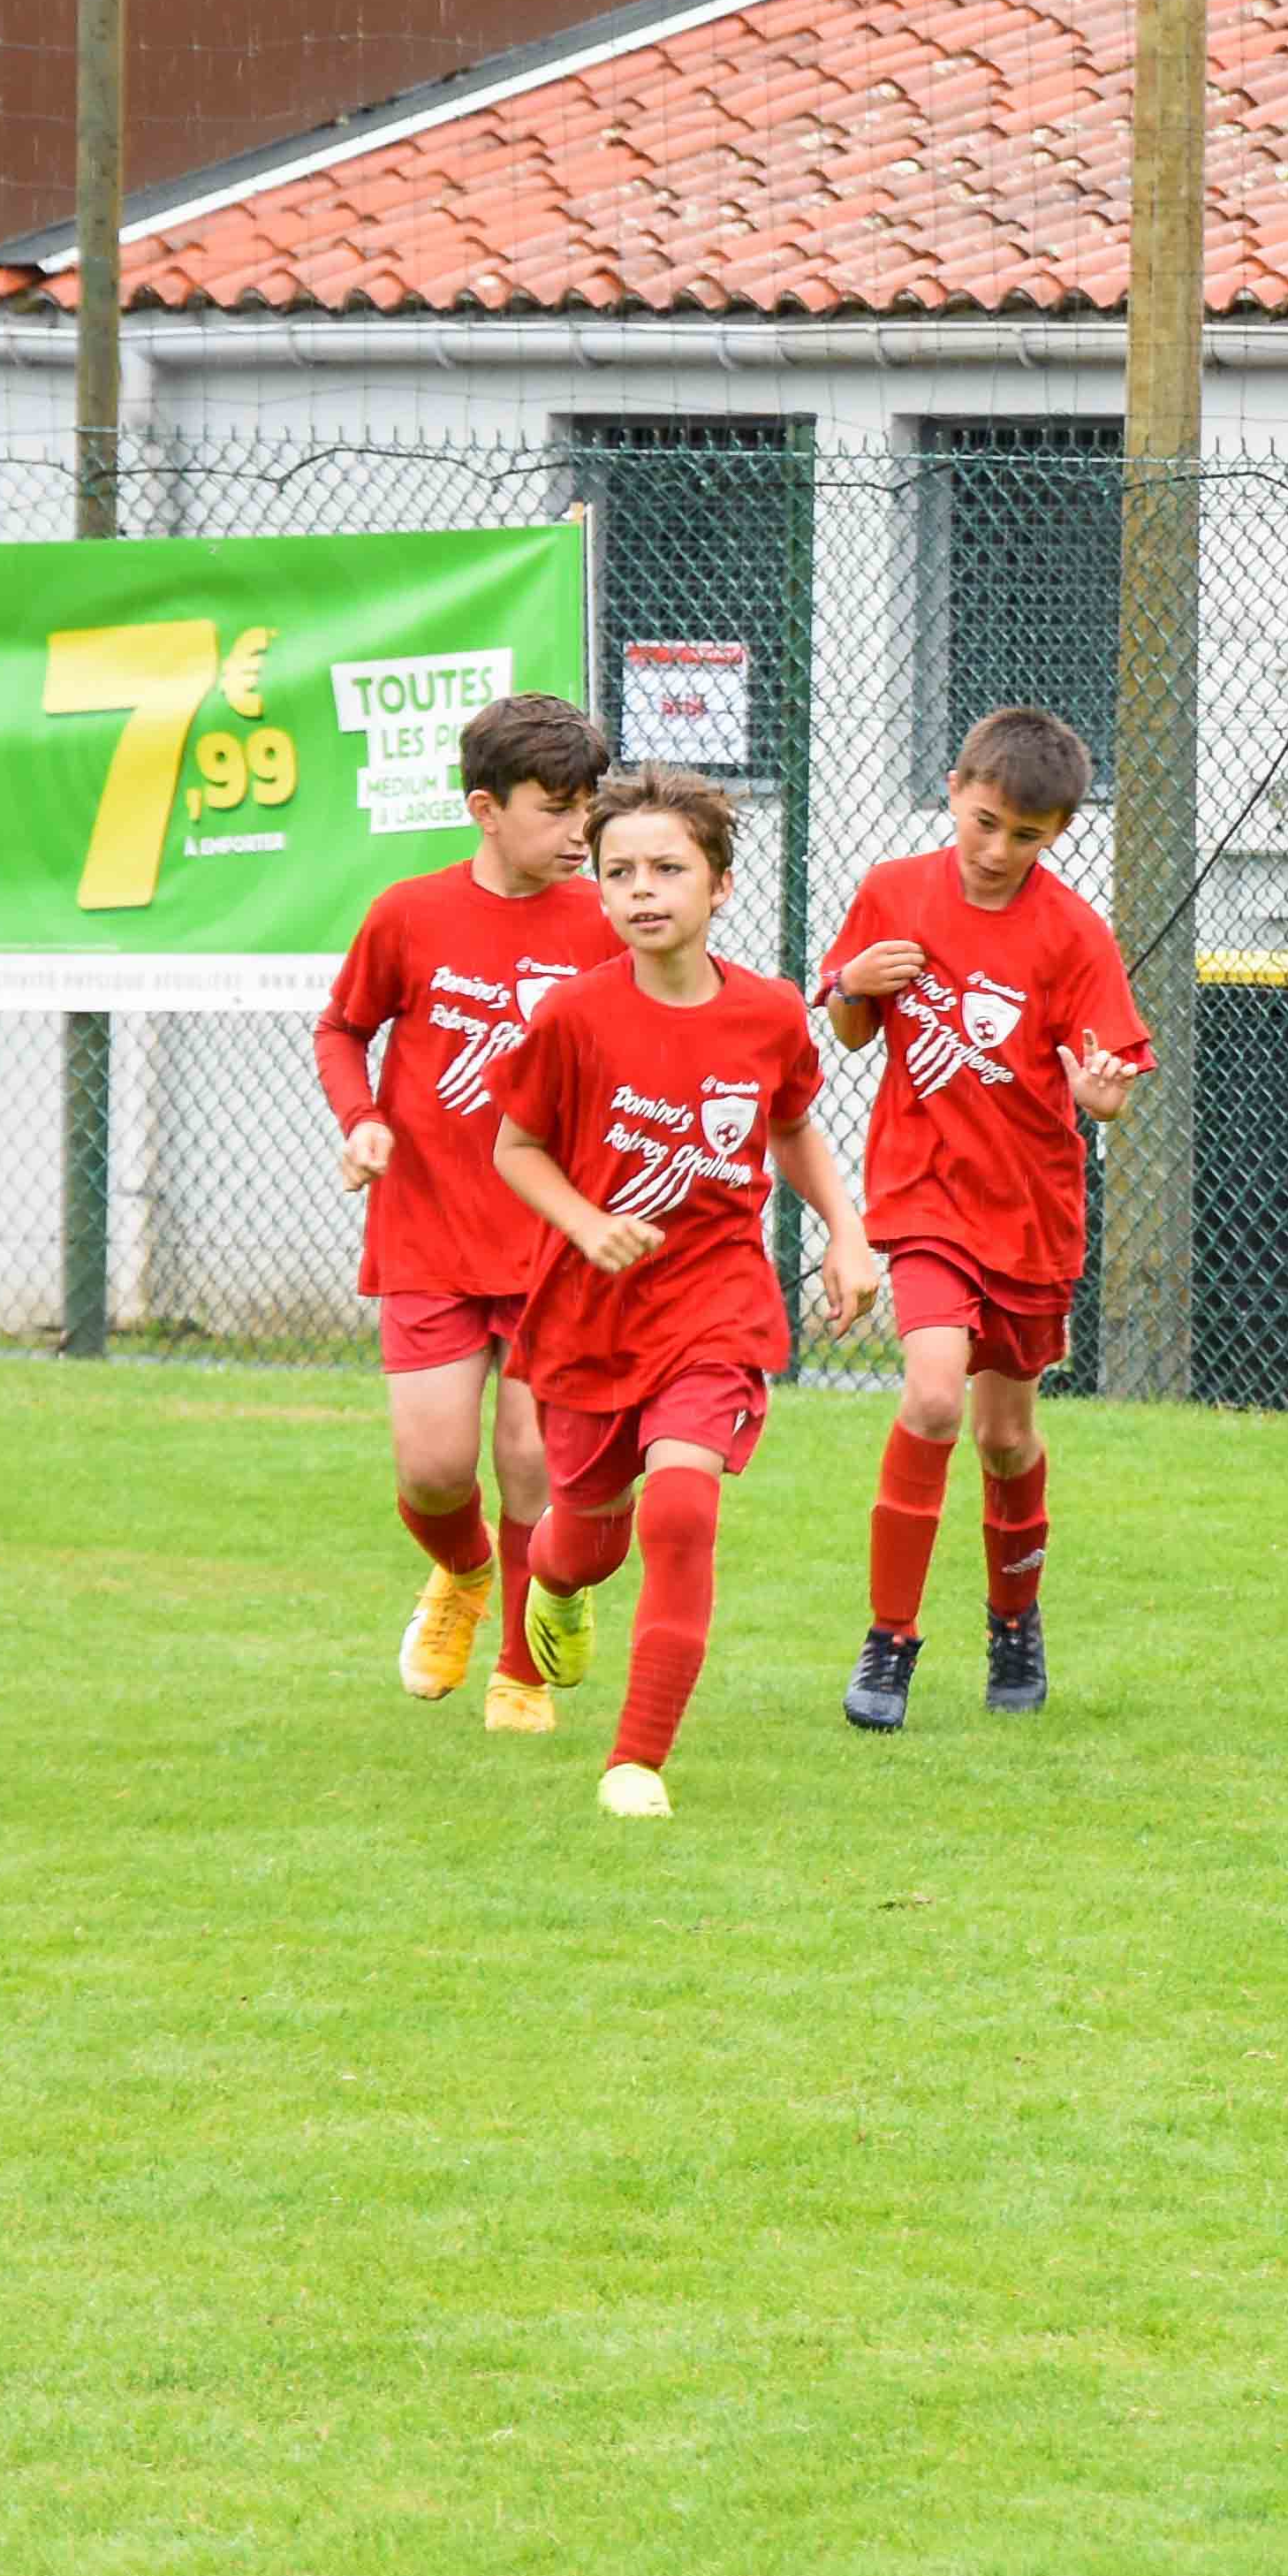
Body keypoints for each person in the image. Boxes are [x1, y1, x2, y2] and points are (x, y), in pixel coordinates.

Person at [488, 765, 882, 1812]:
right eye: (620, 872)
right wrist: (584, 1222)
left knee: (680, 1512)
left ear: (722, 886)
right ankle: (559, 1589)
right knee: (582, 1535)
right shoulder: (572, 1017)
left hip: (714, 1304)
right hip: (586, 1314)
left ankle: (635, 1760)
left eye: (669, 868)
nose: (644, 889)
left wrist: (847, 1231)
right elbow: (516, 1146)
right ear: (600, 892)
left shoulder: (771, 1013)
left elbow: (790, 1121)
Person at [820, 705, 1152, 1732]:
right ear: (956, 788)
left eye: (1029, 836)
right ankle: (889, 1642)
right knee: (930, 1399)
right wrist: (851, 985)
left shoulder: (1071, 932)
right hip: (924, 1200)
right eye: (986, 821)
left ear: (1057, 834)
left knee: (1007, 1440)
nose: (1001, 849)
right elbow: (850, 1027)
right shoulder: (892, 890)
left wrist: (1101, 1093)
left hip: (1030, 1214)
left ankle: (1015, 1617)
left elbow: (1113, 1083)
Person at [316, 693, 608, 1723]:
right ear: (486, 808)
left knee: (532, 1460)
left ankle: (522, 1676)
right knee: (436, 1471)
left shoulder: (608, 919)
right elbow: (343, 1029)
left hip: (552, 1244)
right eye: (556, 808)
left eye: (590, 807)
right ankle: (466, 1573)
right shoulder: (409, 913)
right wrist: (361, 1119)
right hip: (429, 1232)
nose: (581, 831)